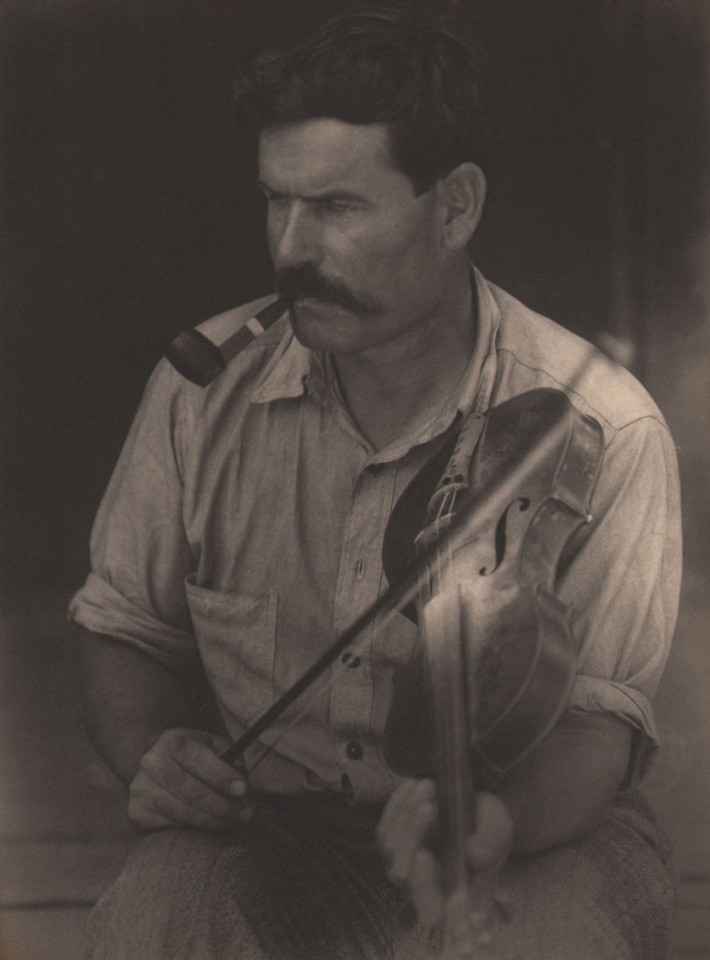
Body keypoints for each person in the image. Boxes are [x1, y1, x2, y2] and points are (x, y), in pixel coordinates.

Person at [69, 5, 682, 959]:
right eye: (278, 201)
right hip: (271, 835)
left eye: (338, 208)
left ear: (456, 206)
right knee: (150, 926)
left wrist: (494, 823)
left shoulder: (612, 429)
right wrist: (154, 752)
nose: (290, 250)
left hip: (528, 838)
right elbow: (122, 627)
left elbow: (601, 728)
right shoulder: (198, 396)